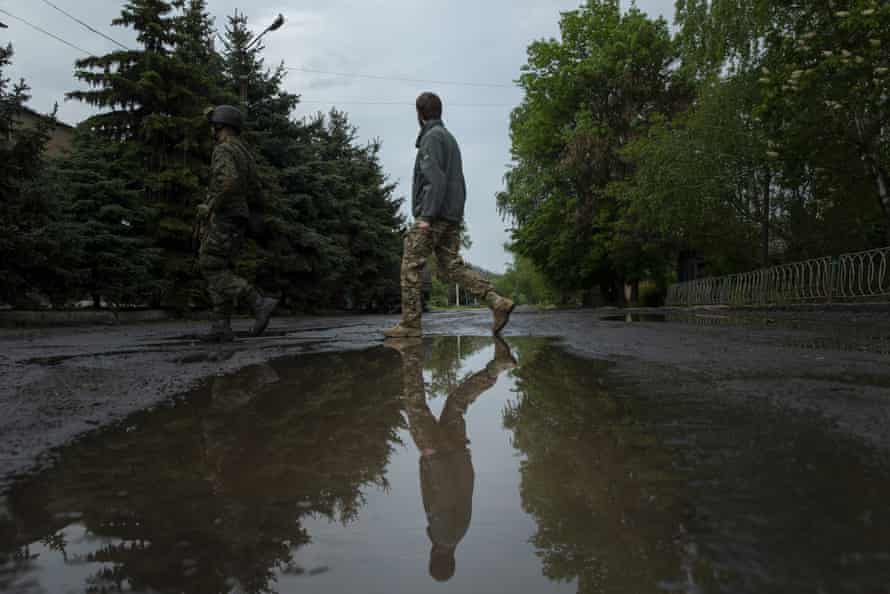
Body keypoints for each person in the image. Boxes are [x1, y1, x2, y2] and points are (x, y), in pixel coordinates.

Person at [384, 93, 515, 338]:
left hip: (434, 215)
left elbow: (435, 179)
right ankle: (497, 302)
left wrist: (426, 216)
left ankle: (410, 325)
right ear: (439, 112)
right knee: (450, 267)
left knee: (410, 263)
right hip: (451, 215)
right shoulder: (449, 138)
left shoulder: (432, 138)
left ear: (419, 114)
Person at [387, 336, 517, 581]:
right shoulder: (444, 536)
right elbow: (444, 495)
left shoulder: (460, 532)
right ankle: (409, 352)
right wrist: (433, 457)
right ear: (434, 558)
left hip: (457, 454)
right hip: (440, 454)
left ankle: (495, 369)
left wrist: (462, 455)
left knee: (457, 402)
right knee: (415, 407)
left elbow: (467, 486)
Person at [196, 105, 277, 342]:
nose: (212, 129)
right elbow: (256, 189)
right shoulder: (244, 152)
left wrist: (209, 206)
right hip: (239, 217)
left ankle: (258, 302)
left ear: (220, 126)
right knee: (220, 267)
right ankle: (220, 326)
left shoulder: (224, 149)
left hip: (225, 215)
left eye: (213, 125)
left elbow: (228, 181)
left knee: (210, 264)